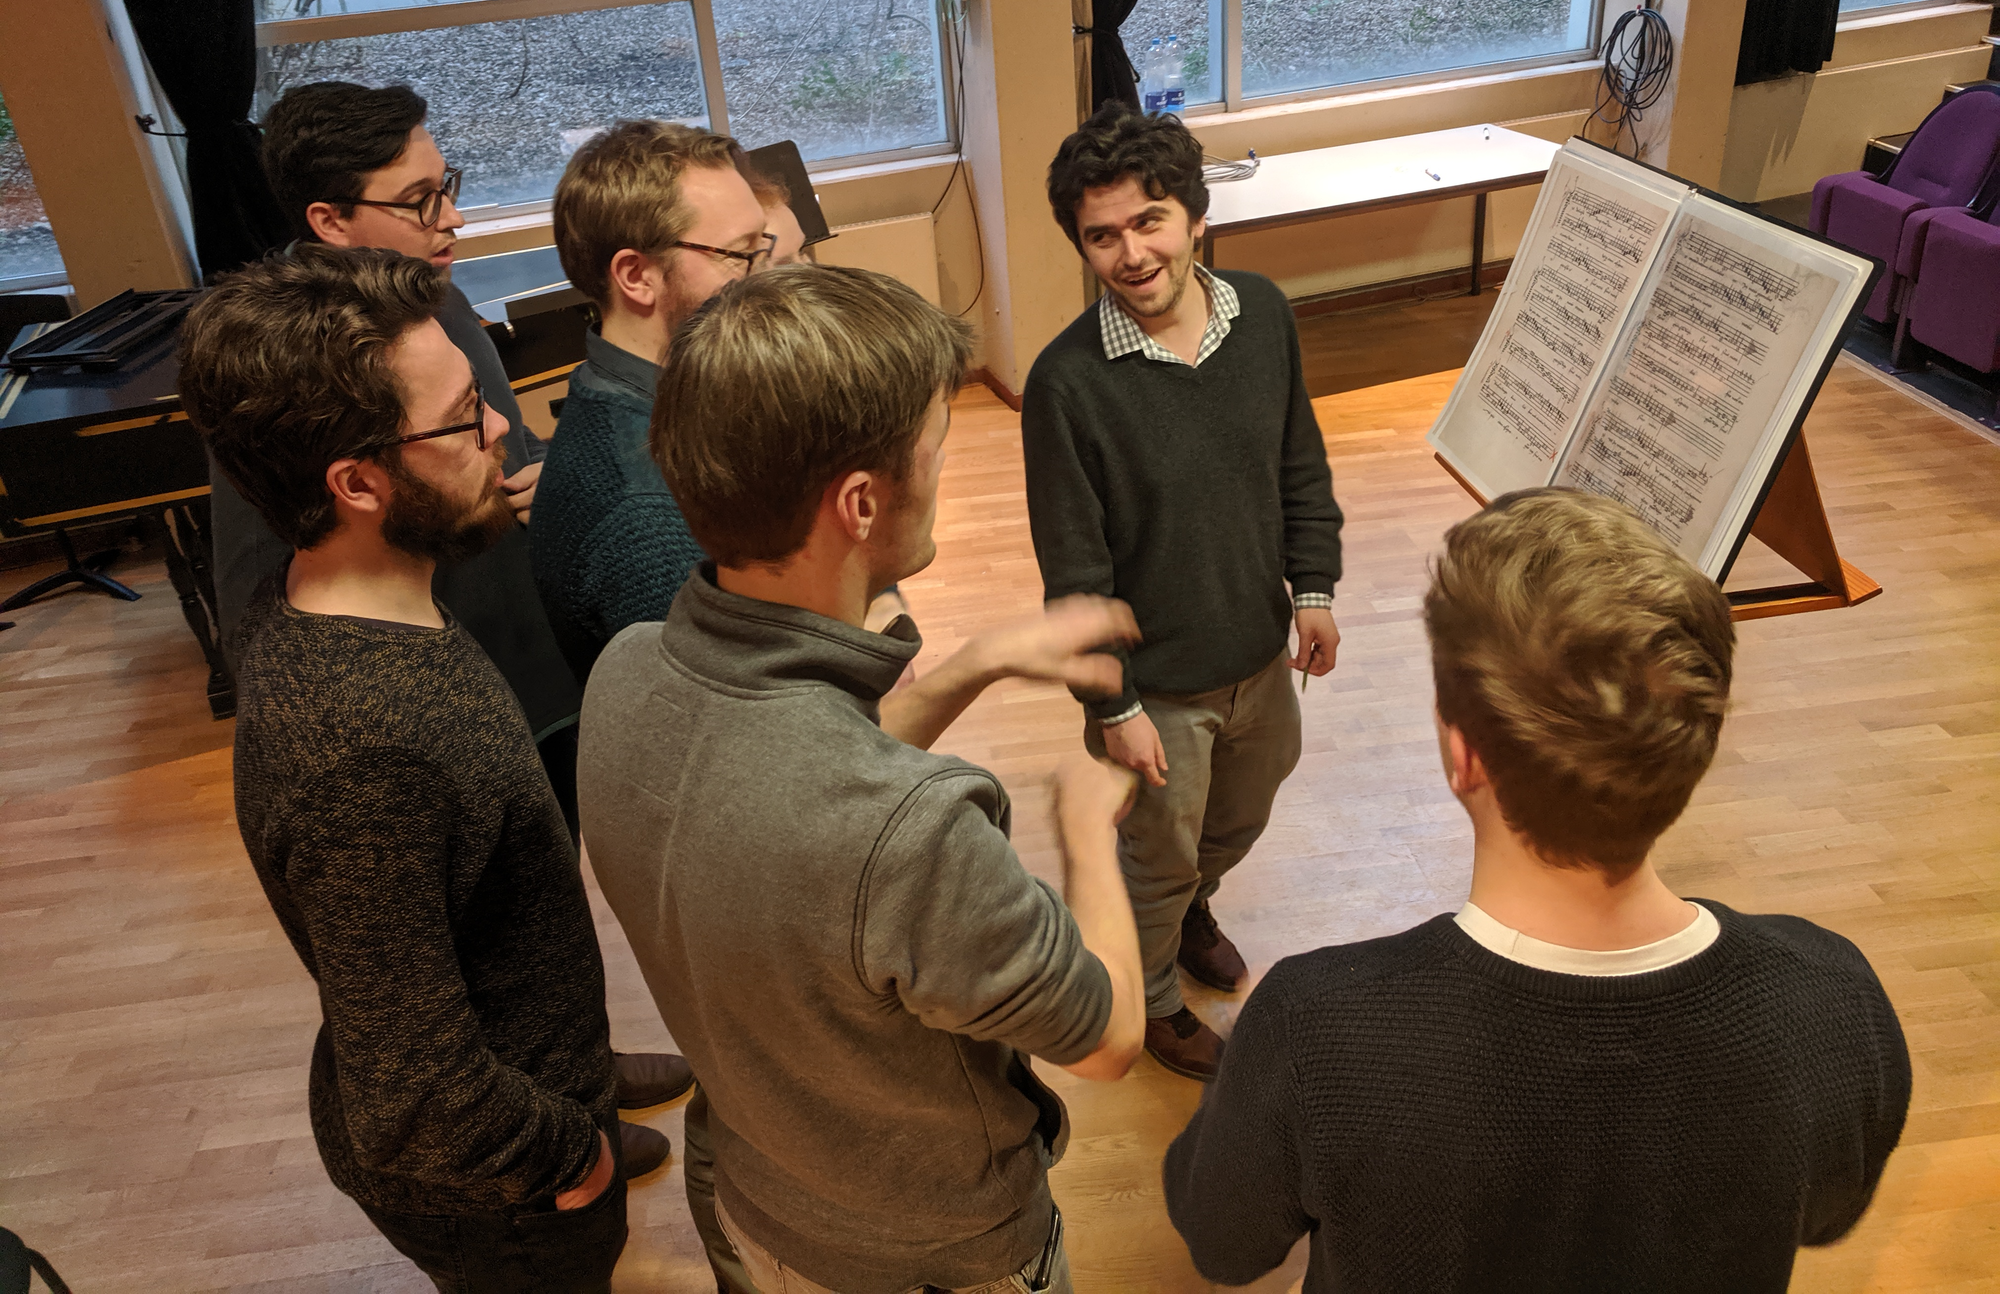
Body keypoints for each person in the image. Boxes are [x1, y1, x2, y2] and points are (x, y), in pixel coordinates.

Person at [1163, 488, 1911, 1291]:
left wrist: (1249, 1079)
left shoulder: (1314, 1025)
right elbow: (1826, 1212)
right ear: (1695, 742)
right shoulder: (1833, 994)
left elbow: (1223, 1244)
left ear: (1465, 756)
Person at [579, 264, 1150, 1293]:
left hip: (755, 1207)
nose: (943, 463)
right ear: (858, 501)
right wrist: (1086, 836)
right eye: (935, 444)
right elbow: (1105, 1037)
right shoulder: (913, 834)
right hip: (939, 1259)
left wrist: (976, 663)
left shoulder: (623, 673)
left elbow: (794, 777)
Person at [177, 246, 636, 1293]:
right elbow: (414, 1097)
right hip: (507, 1200)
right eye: (463, 419)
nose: (500, 431)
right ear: (356, 482)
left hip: (534, 1097)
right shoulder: (364, 755)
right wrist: (574, 1157)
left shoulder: (357, 601)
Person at [239, 81, 690, 1135]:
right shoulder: (293, 368)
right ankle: (562, 1120)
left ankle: (580, 1069)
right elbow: (273, 580)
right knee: (476, 929)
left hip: (518, 668)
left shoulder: (428, 302)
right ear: (328, 220)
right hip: (436, 695)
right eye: (419, 201)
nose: (451, 220)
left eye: (449, 188)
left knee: (543, 898)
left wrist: (531, 469)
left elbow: (490, 448)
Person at [1022, 103, 1345, 1079]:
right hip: (1155, 689)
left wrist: (1314, 586)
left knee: (1238, 818)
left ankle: (1189, 909)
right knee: (1154, 862)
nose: (1131, 253)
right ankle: (1154, 1000)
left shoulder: (1264, 315)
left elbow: (1297, 461)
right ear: (1080, 245)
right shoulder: (1065, 385)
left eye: (1149, 220)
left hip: (1256, 653)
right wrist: (1112, 706)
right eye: (1102, 235)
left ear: (1195, 217)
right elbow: (1073, 572)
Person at [531, 119, 772, 682]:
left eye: (763, 248)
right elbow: (741, 718)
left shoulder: (684, 398)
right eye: (739, 255)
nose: (766, 280)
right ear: (637, 275)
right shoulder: (646, 515)